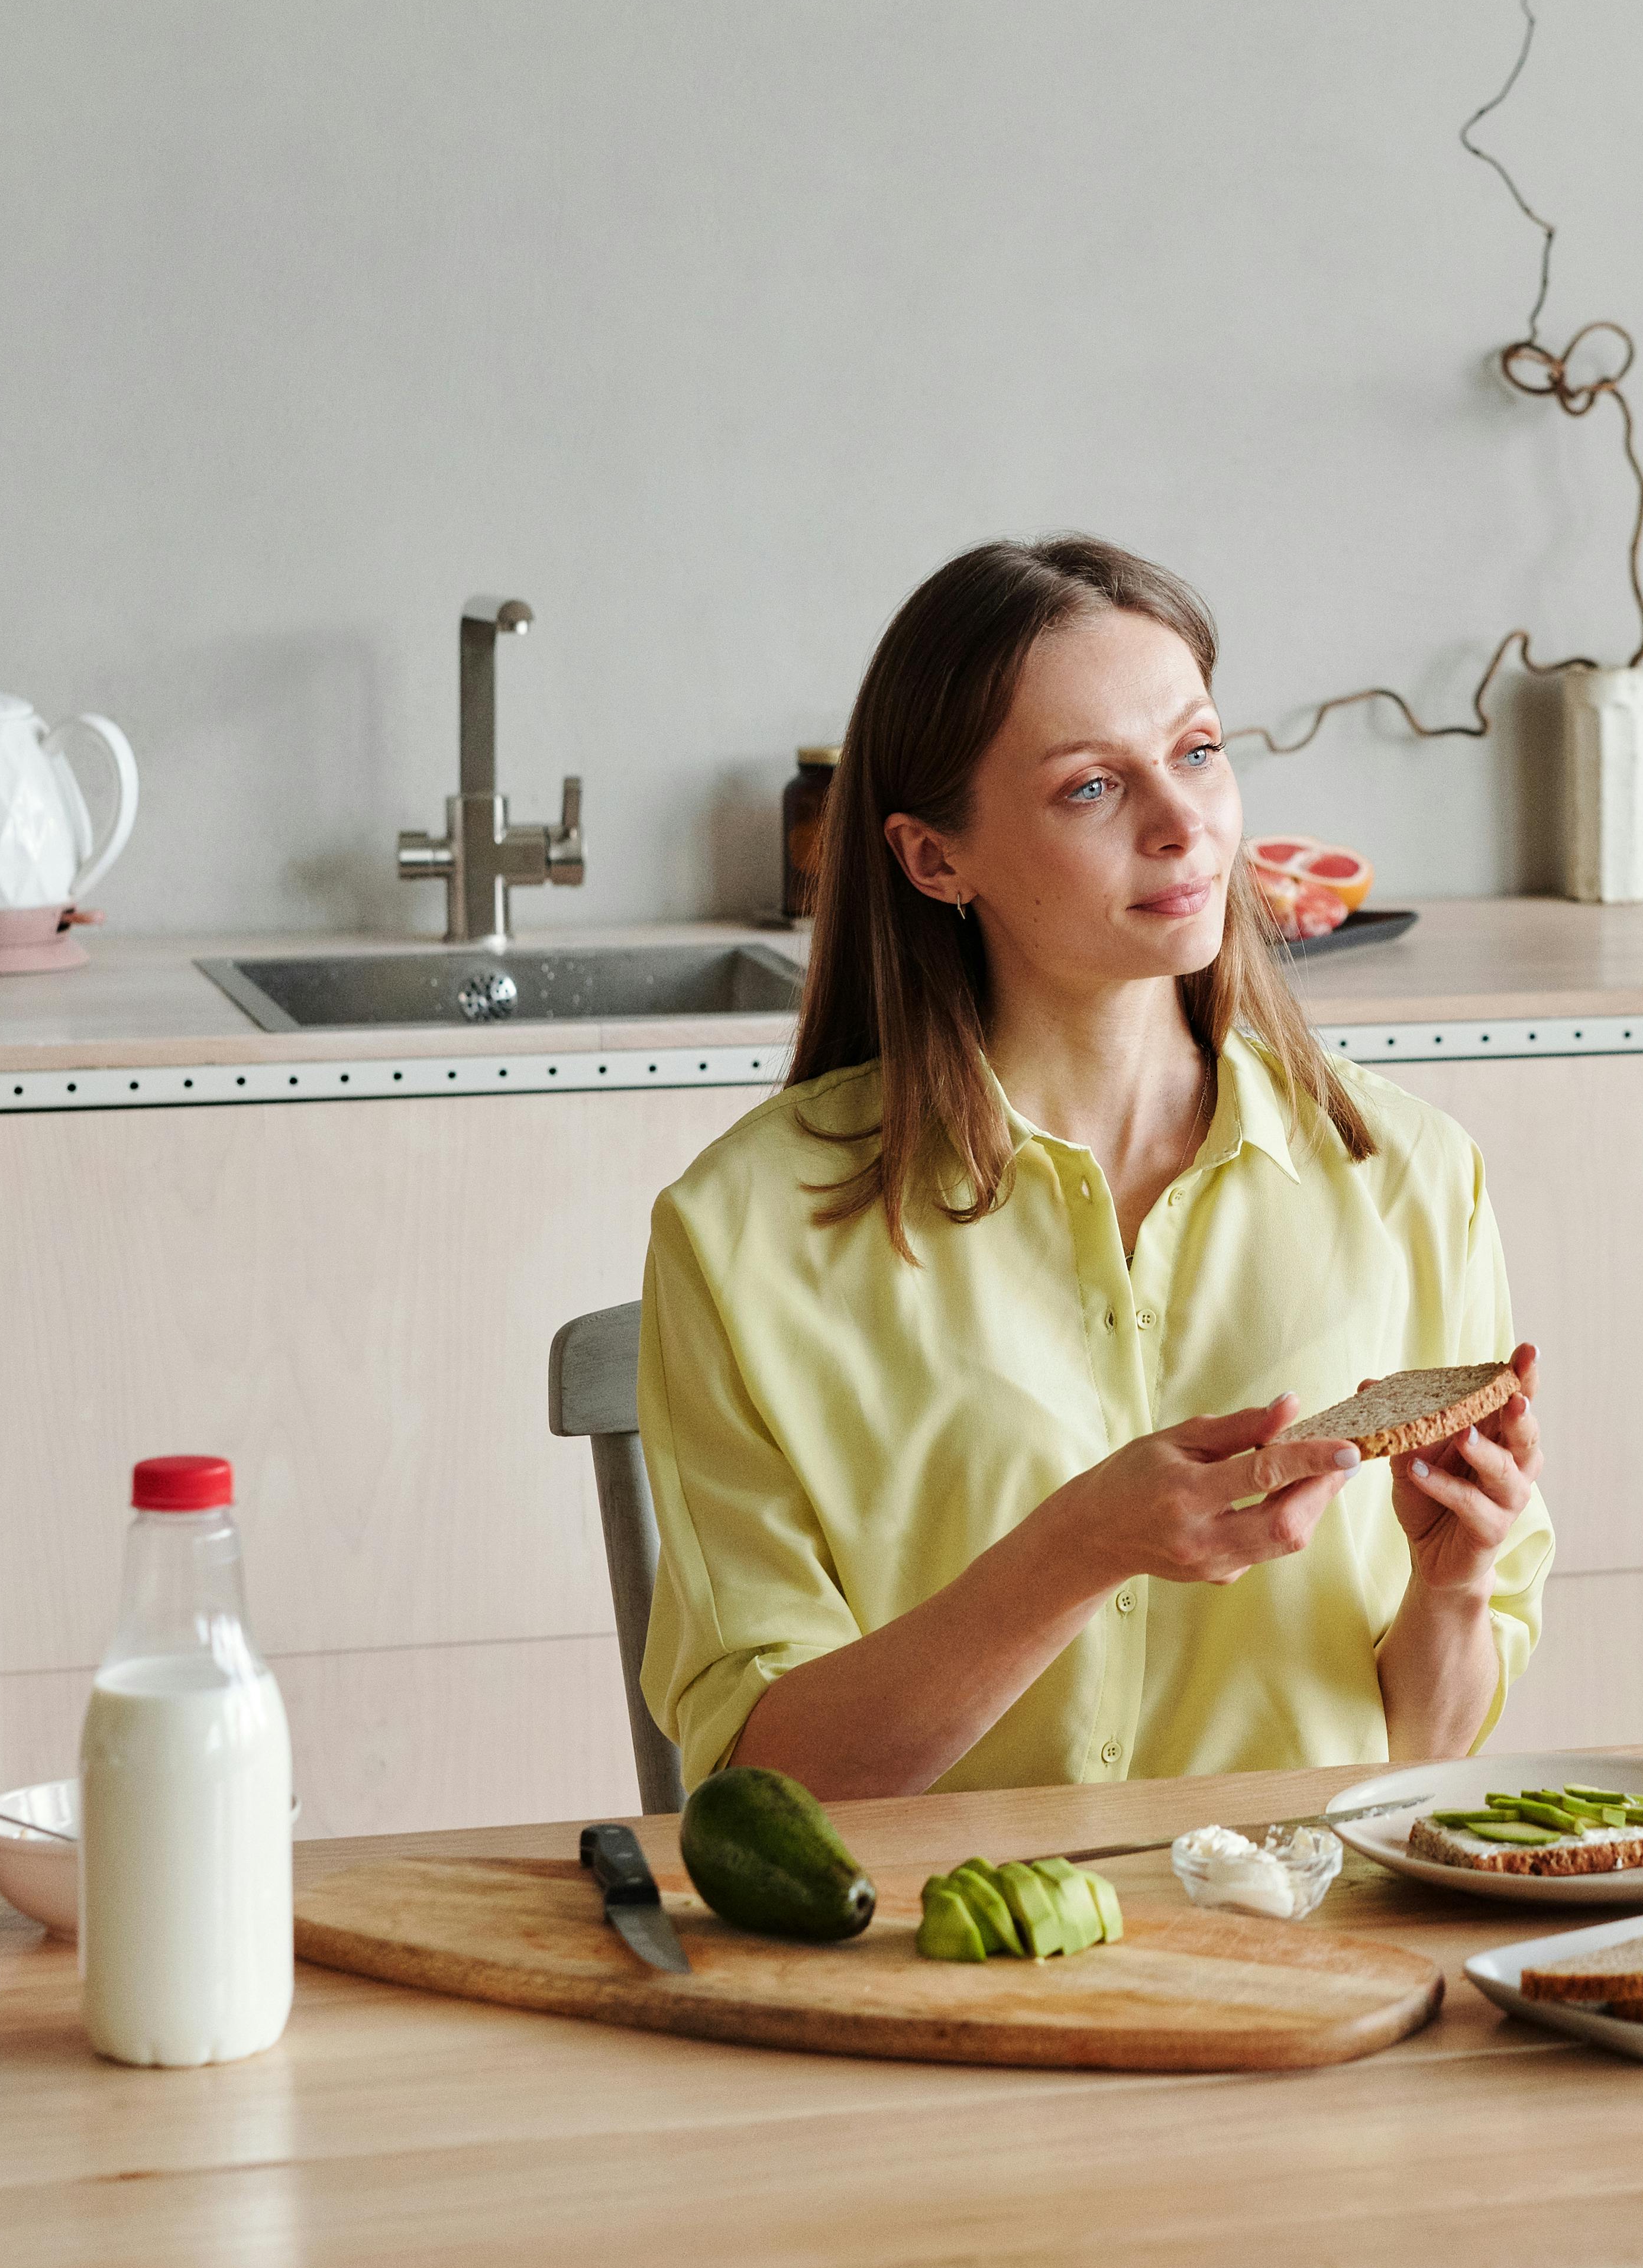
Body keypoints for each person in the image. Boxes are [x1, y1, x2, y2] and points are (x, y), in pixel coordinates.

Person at [634, 535, 1548, 1798]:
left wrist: (1452, 1594)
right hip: (942, 1953)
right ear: (933, 860)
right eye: (1090, 789)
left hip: (1310, 1946)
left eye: (1197, 753)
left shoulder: (1412, 1179)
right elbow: (765, 1786)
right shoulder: (745, 1229)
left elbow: (1426, 1757)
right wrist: (1075, 1550)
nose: (1186, 826)